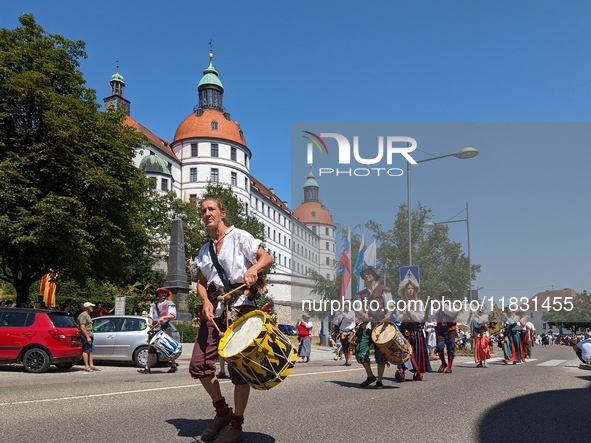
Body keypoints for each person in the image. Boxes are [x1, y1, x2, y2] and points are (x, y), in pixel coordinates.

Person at [189, 197, 272, 443]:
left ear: (222, 213)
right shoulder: (205, 250)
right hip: (214, 311)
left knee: (239, 370)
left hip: (239, 308)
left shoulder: (240, 237)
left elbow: (265, 257)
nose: (207, 213)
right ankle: (222, 412)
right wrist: (204, 301)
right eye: (203, 211)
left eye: (211, 209)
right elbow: (201, 283)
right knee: (199, 365)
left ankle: (237, 424)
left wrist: (254, 268)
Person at [354, 266, 392, 389]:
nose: (367, 276)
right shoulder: (362, 293)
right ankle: (370, 376)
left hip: (379, 324)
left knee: (380, 353)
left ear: (374, 275)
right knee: (361, 350)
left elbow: (390, 304)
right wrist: (363, 314)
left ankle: (379, 380)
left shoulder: (383, 289)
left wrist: (388, 314)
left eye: (369, 274)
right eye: (365, 274)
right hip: (366, 325)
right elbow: (357, 307)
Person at [394, 278, 430, 381]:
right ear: (404, 290)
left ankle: (418, 371)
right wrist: (404, 315)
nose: (410, 290)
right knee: (402, 348)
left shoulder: (419, 302)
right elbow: (397, 317)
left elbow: (420, 317)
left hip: (415, 329)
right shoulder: (401, 302)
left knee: (416, 349)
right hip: (405, 327)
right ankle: (401, 370)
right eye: (408, 288)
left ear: (415, 290)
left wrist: (411, 313)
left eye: (412, 288)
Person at [138, 287, 178, 374]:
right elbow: (150, 316)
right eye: (161, 293)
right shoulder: (153, 305)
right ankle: (147, 368)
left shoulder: (170, 304)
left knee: (169, 347)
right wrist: (150, 323)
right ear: (158, 294)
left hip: (165, 327)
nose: (163, 294)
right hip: (155, 329)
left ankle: (173, 365)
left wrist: (163, 317)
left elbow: (172, 315)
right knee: (151, 348)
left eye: (165, 293)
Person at [435, 291, 460, 373]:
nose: (446, 299)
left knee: (451, 348)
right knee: (439, 347)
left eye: (448, 297)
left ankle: (449, 366)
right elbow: (431, 315)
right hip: (440, 329)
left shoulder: (455, 305)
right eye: (445, 297)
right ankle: (443, 363)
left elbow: (451, 313)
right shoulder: (438, 306)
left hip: (450, 329)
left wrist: (444, 305)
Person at [77, 302, 99, 372]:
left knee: (90, 350)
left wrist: (92, 324)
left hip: (90, 334)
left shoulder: (88, 315)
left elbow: (87, 325)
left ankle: (91, 365)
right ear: (88, 307)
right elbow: (82, 327)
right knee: (86, 351)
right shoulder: (83, 315)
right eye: (91, 306)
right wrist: (87, 337)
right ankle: (86, 366)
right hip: (86, 335)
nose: (92, 308)